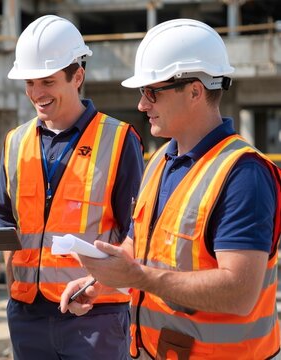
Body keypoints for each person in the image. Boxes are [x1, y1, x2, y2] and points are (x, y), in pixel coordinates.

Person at [61, 18, 281, 359]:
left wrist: (139, 277)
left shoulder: (243, 174)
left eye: (152, 92)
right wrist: (102, 282)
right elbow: (144, 249)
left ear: (195, 90)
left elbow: (239, 292)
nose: (142, 105)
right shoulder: (162, 159)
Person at [0, 15, 144, 360]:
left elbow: (137, 232)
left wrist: (101, 284)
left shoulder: (119, 140)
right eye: (30, 83)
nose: (36, 93)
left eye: (47, 81)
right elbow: (5, 221)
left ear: (77, 76)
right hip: (27, 313)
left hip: (95, 315)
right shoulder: (14, 142)